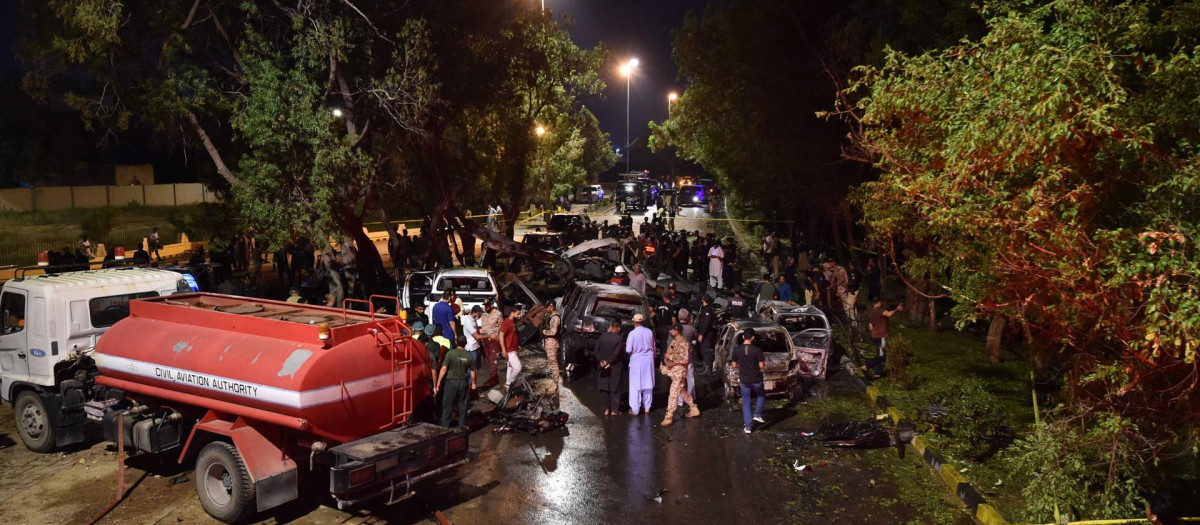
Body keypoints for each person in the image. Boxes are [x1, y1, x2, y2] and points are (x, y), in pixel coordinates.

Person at [661, 324, 701, 426]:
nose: (670, 332)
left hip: (680, 371)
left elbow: (684, 359)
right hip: (675, 371)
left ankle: (669, 415)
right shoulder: (674, 341)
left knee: (674, 391)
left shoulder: (683, 342)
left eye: (671, 330)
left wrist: (670, 357)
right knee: (681, 391)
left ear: (677, 330)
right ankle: (693, 408)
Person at [434, 340, 476, 428]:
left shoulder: (450, 354)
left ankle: (445, 428)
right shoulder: (469, 356)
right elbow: (473, 372)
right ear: (465, 343)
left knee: (447, 405)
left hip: (451, 383)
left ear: (457, 343)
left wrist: (438, 383)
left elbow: (444, 368)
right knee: (462, 406)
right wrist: (473, 383)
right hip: (463, 382)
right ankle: (462, 427)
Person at [731, 329, 766, 434]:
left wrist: (743, 364)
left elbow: (734, 365)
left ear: (743, 337)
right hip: (756, 379)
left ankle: (748, 427)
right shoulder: (757, 350)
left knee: (746, 401)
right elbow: (761, 366)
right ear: (753, 338)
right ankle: (757, 414)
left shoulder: (737, 350)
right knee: (761, 395)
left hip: (744, 380)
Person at [625, 313, 656, 415]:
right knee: (648, 382)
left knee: (635, 385)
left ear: (634, 322)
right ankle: (647, 407)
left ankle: (635, 409)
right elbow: (653, 347)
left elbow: (628, 349)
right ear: (642, 322)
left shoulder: (632, 334)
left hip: (637, 360)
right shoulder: (649, 332)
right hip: (649, 359)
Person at [864, 299, 903, 377]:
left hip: (874, 336)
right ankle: (866, 366)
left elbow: (870, 327)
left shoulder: (870, 312)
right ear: (878, 303)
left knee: (881, 354)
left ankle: (878, 373)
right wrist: (897, 309)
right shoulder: (880, 309)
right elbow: (888, 314)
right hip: (881, 335)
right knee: (881, 355)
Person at [595, 320, 626, 415]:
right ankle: (614, 410)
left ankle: (606, 409)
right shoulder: (619, 338)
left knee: (604, 387)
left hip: (602, 366)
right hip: (614, 366)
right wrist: (607, 361)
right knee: (614, 387)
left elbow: (596, 350)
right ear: (618, 328)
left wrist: (601, 360)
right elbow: (616, 354)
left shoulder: (602, 336)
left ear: (610, 327)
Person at [478, 298, 504, 388]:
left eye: (488, 305)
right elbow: (483, 327)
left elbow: (502, 328)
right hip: (485, 340)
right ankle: (493, 376)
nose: (486, 307)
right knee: (489, 359)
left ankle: (494, 378)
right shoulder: (483, 315)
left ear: (492, 305)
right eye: (485, 306)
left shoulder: (498, 314)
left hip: (494, 340)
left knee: (494, 359)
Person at [677, 308, 697, 400]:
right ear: (688, 317)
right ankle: (690, 397)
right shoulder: (691, 328)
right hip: (689, 356)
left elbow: (669, 343)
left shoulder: (674, 328)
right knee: (690, 376)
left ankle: (680, 400)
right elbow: (695, 338)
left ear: (678, 317)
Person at [501, 306, 523, 386]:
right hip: (509, 350)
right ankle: (509, 383)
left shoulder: (512, 322)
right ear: (513, 312)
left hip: (513, 349)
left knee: (510, 368)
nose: (519, 316)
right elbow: (501, 335)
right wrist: (503, 349)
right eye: (518, 314)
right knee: (518, 368)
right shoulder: (507, 322)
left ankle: (508, 383)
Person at [694, 295, 717, 373]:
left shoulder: (707, 310)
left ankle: (707, 368)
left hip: (706, 334)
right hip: (703, 332)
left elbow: (706, 324)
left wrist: (702, 334)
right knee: (702, 349)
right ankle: (704, 366)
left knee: (705, 350)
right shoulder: (704, 309)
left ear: (704, 300)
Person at [541, 302, 562, 382]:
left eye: (547, 307)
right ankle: (555, 377)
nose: (546, 309)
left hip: (552, 342)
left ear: (551, 307)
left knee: (553, 362)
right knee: (551, 360)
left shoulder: (555, 318)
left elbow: (553, 332)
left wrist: (544, 332)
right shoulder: (551, 316)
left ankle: (556, 380)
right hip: (549, 341)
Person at [463, 305, 483, 374]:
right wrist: (490, 335)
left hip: (476, 346)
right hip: (471, 348)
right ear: (475, 313)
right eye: (479, 313)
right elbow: (477, 337)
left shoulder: (473, 320)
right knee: (472, 369)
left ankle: (473, 383)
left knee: (476, 368)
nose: (480, 315)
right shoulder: (468, 321)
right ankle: (471, 383)